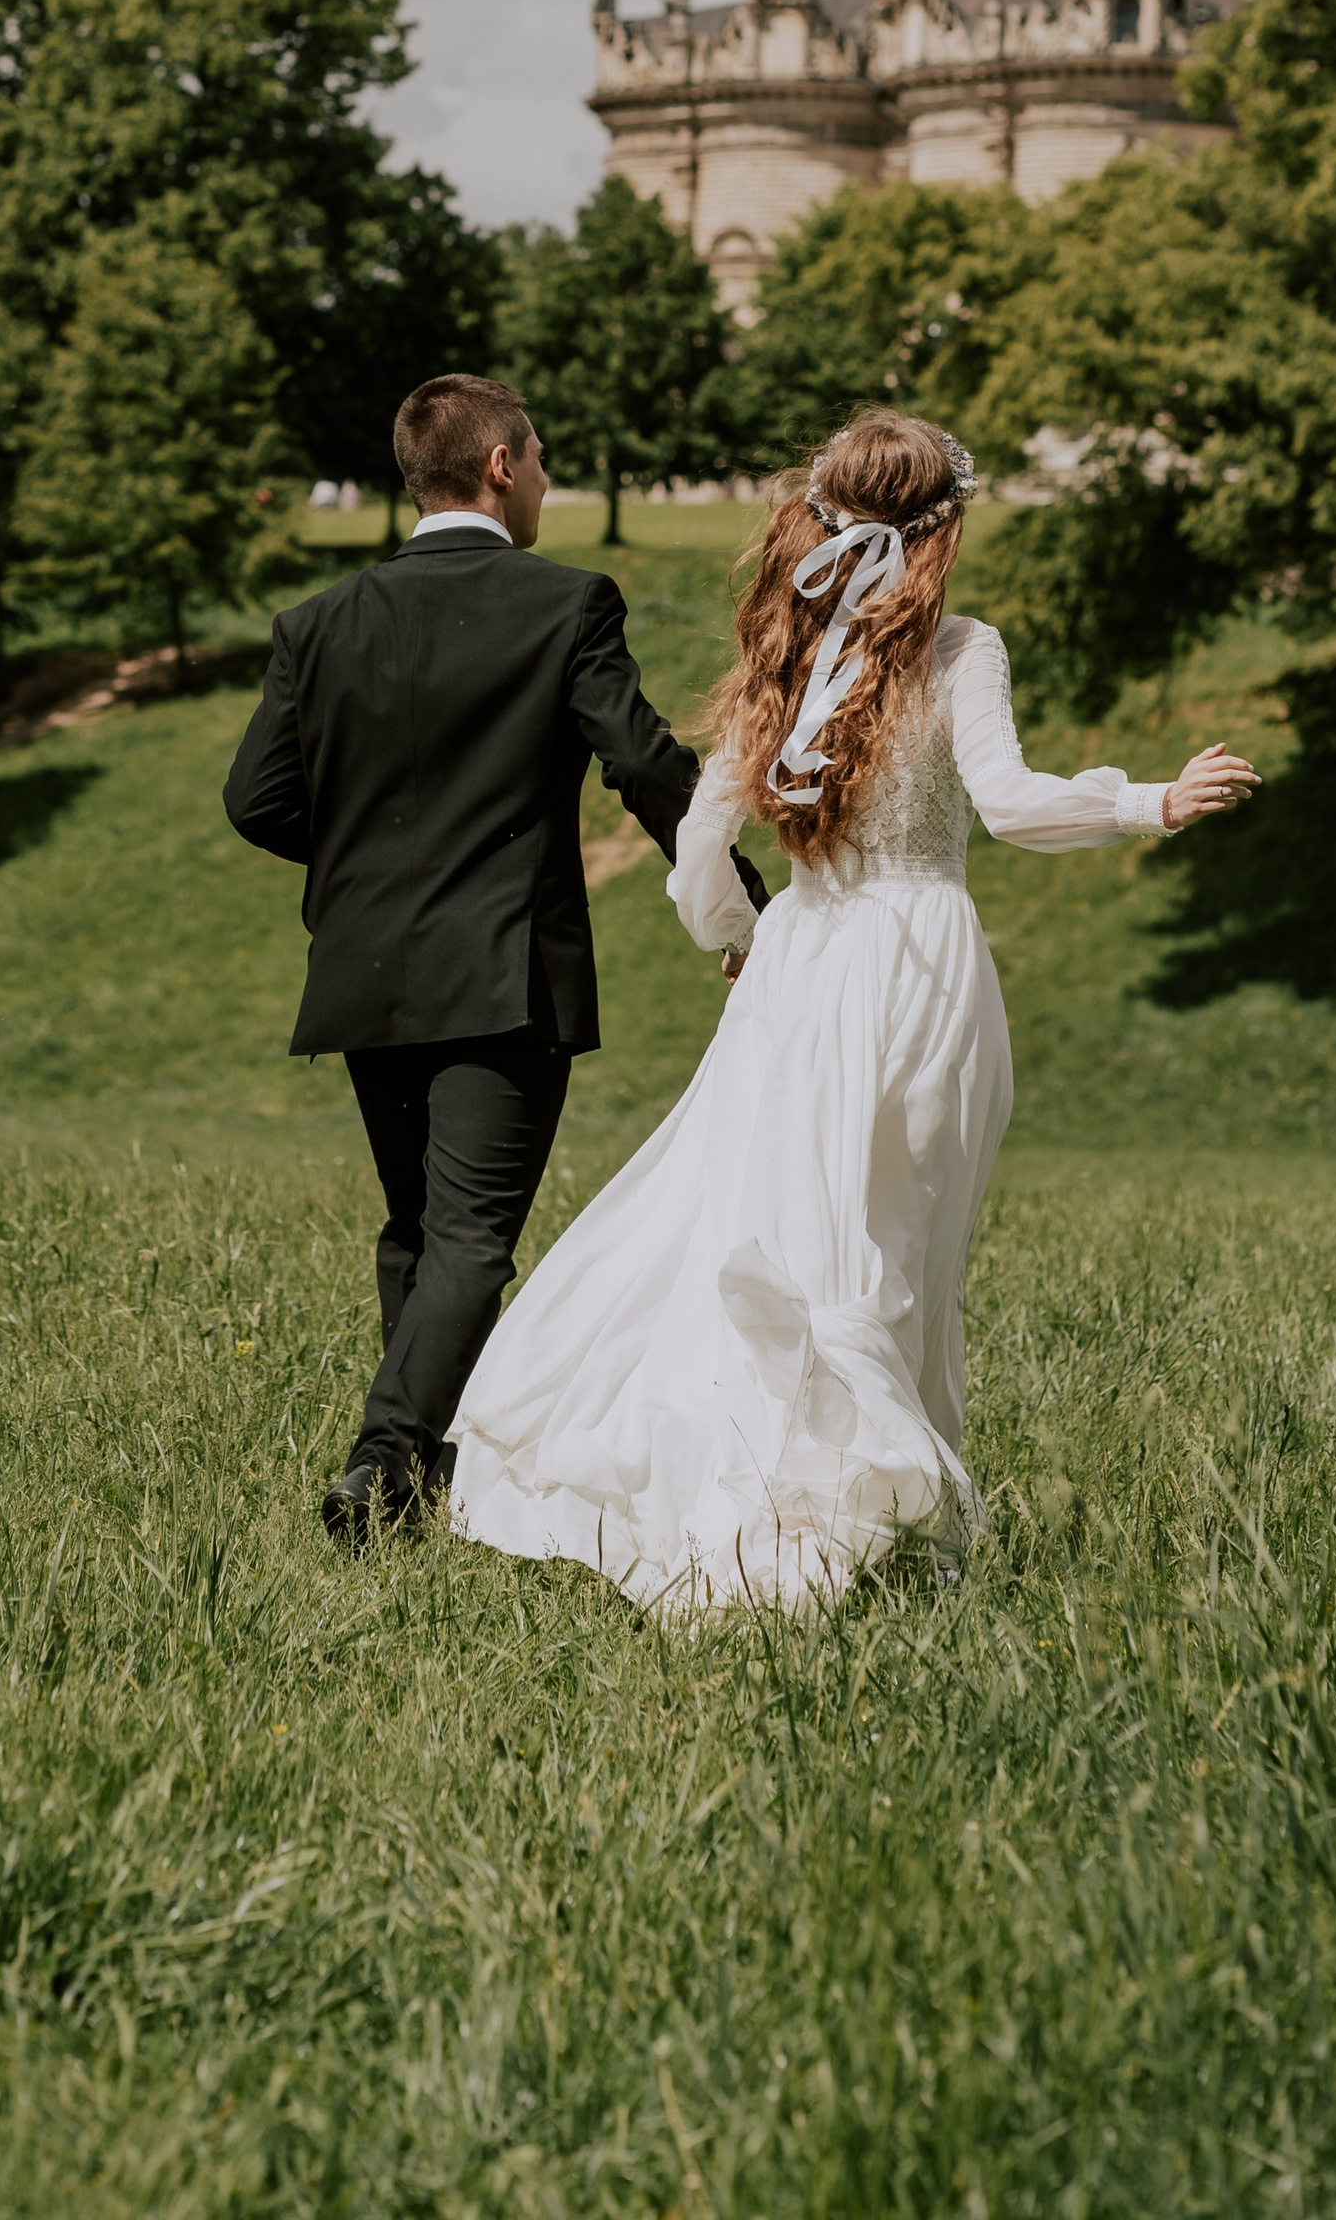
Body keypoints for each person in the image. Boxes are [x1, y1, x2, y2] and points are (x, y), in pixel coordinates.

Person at [449, 409, 1257, 1616]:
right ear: (943, 524)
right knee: (898, 1235)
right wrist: (1156, 802)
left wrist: (740, 940)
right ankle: (869, 1511)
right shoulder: (958, 649)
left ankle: (789, 1487)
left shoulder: (782, 654)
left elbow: (695, 855)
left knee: (768, 1220)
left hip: (804, 964)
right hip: (920, 961)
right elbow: (1016, 805)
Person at [222, 372, 762, 1544]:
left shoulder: (315, 623)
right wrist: (744, 901)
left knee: (415, 1227)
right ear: (502, 465)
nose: (549, 479)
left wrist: (366, 869)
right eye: (544, 456)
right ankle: (382, 1462)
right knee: (467, 1237)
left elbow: (256, 800)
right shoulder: (566, 605)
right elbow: (642, 763)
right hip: (502, 967)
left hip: (363, 968)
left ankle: (423, 1481)